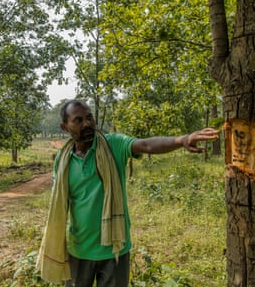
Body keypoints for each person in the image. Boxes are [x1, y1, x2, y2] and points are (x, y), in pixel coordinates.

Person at [36, 99, 220, 287]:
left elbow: (146, 145)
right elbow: (59, 203)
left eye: (89, 117)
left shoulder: (113, 144)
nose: (87, 123)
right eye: (78, 120)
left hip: (114, 250)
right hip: (78, 250)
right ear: (65, 127)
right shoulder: (62, 159)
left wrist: (181, 140)